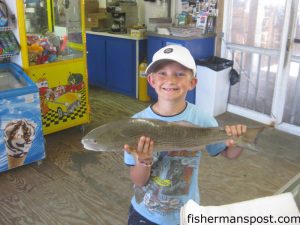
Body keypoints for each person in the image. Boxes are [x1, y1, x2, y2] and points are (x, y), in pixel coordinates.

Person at [124, 45, 246, 225]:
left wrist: (239, 140)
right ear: (151, 80)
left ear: (192, 82)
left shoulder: (203, 120)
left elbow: (229, 153)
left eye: (180, 74)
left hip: (186, 214)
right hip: (145, 213)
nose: (170, 80)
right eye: (162, 73)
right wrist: (143, 161)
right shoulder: (135, 124)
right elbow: (139, 181)